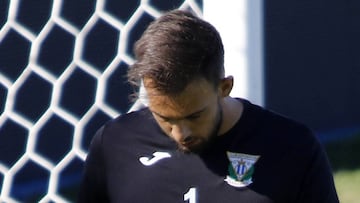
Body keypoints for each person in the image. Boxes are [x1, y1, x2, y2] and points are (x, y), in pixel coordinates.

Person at [78, 9, 339, 203]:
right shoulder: (115, 144)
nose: (181, 134)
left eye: (194, 116)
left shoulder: (292, 147)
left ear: (224, 88)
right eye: (165, 118)